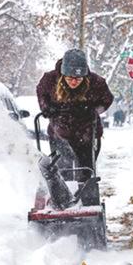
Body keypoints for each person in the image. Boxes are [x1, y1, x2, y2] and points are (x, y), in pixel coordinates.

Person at [36, 49, 113, 180]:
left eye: (78, 79)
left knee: (85, 170)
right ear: (62, 74)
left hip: (87, 132)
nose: (73, 82)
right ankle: (64, 196)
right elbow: (41, 93)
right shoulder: (49, 80)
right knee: (63, 169)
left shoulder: (96, 82)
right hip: (59, 132)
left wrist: (92, 110)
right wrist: (47, 108)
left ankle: (86, 194)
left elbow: (107, 99)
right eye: (70, 78)